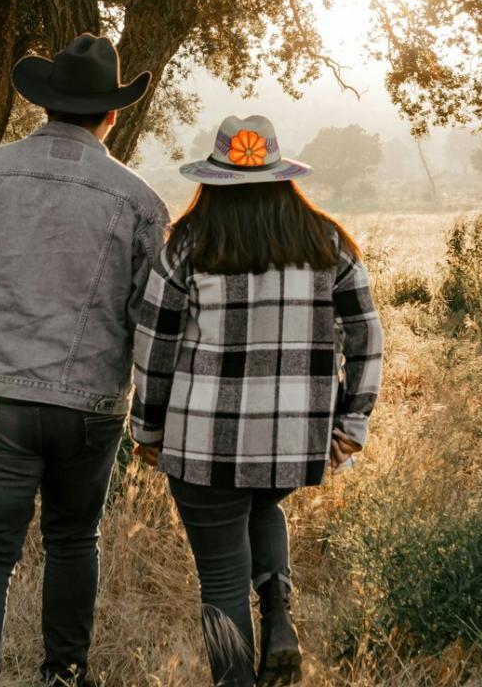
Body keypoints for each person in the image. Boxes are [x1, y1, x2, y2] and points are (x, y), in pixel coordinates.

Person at [0, 33, 170, 687]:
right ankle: (62, 673)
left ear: (44, 105)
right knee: (71, 540)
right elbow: (149, 318)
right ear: (110, 115)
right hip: (86, 406)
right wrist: (140, 402)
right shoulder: (139, 200)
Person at [130, 114, 385, 687]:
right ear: (279, 174)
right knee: (263, 506)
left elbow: (155, 346)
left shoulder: (188, 246)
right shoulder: (330, 244)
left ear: (214, 179)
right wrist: (352, 424)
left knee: (221, 577)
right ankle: (278, 617)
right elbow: (368, 337)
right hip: (295, 442)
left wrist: (146, 429)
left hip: (203, 444)